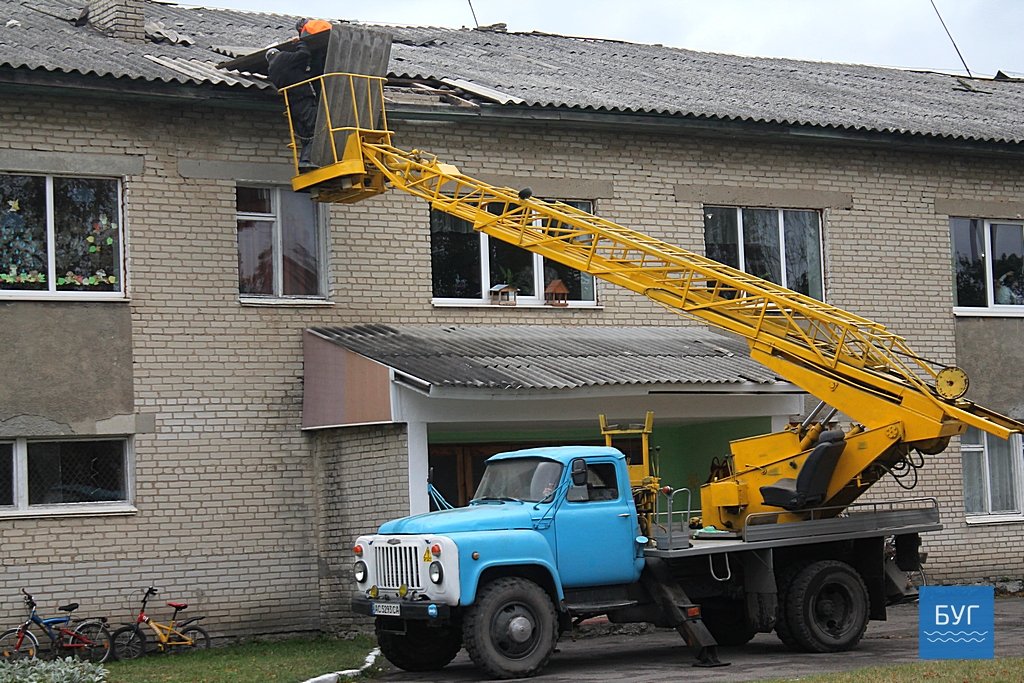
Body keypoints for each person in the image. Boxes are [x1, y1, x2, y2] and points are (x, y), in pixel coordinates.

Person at [266, 45, 318, 169]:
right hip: (304, 100)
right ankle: (305, 160)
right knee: (315, 130)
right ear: (277, 52)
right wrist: (300, 43)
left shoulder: (271, 70)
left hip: (292, 107)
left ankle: (304, 161)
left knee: (305, 136)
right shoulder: (283, 57)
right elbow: (304, 54)